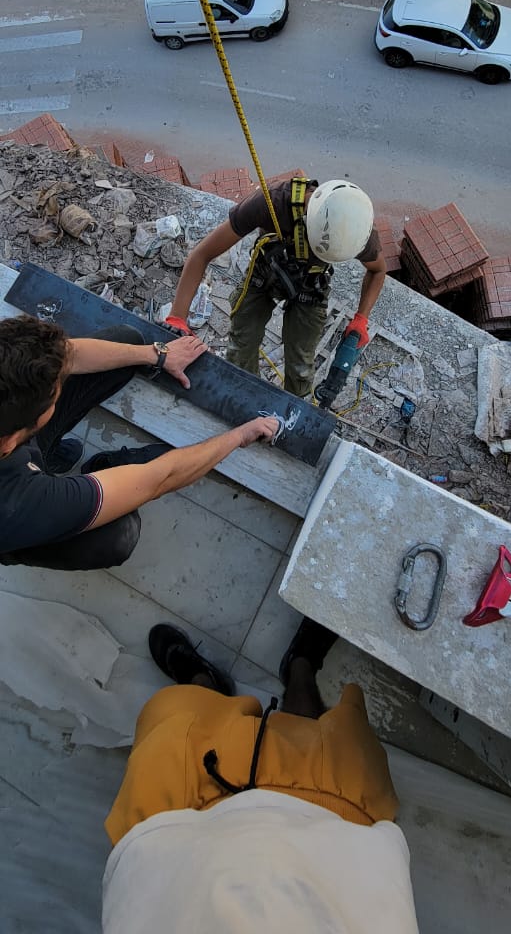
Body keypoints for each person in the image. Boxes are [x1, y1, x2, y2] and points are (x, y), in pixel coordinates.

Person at [102, 618, 419, 934]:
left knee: (184, 726)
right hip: (331, 833)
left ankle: (203, 684)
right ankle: (300, 666)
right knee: (322, 740)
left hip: (180, 834)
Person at [0, 314, 278, 572]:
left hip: (20, 456)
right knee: (118, 535)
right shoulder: (18, 502)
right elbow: (158, 479)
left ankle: (47, 457)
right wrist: (240, 435)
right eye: (52, 397)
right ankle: (40, 511)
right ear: (11, 441)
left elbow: (66, 355)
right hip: (16, 518)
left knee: (126, 340)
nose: (62, 378)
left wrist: (157, 356)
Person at [167, 176, 386, 398]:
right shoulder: (272, 202)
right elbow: (201, 254)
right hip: (266, 270)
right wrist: (178, 317)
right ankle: (244, 395)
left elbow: (378, 270)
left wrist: (361, 319)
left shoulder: (359, 232)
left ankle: (291, 406)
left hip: (311, 283)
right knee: (241, 347)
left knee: (301, 366)